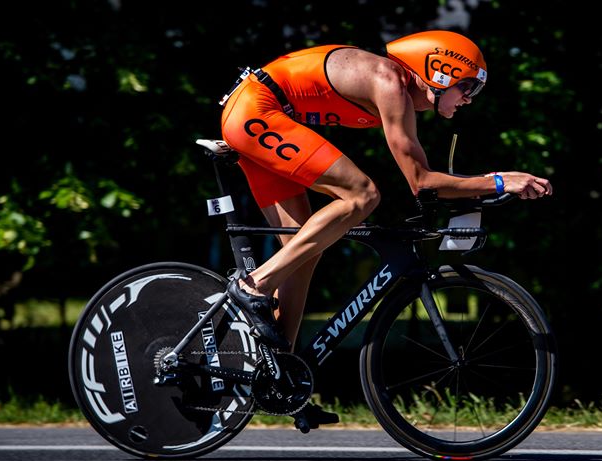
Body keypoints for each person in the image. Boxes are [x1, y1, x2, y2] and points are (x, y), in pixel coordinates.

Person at [220, 30, 552, 422]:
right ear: (440, 72)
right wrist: (500, 180)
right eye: (466, 88)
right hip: (257, 112)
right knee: (361, 195)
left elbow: (423, 180)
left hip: (255, 113)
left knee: (306, 249)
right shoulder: (389, 82)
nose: (468, 99)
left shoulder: (396, 93)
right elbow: (422, 181)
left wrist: (476, 189)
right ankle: (254, 285)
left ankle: (281, 379)